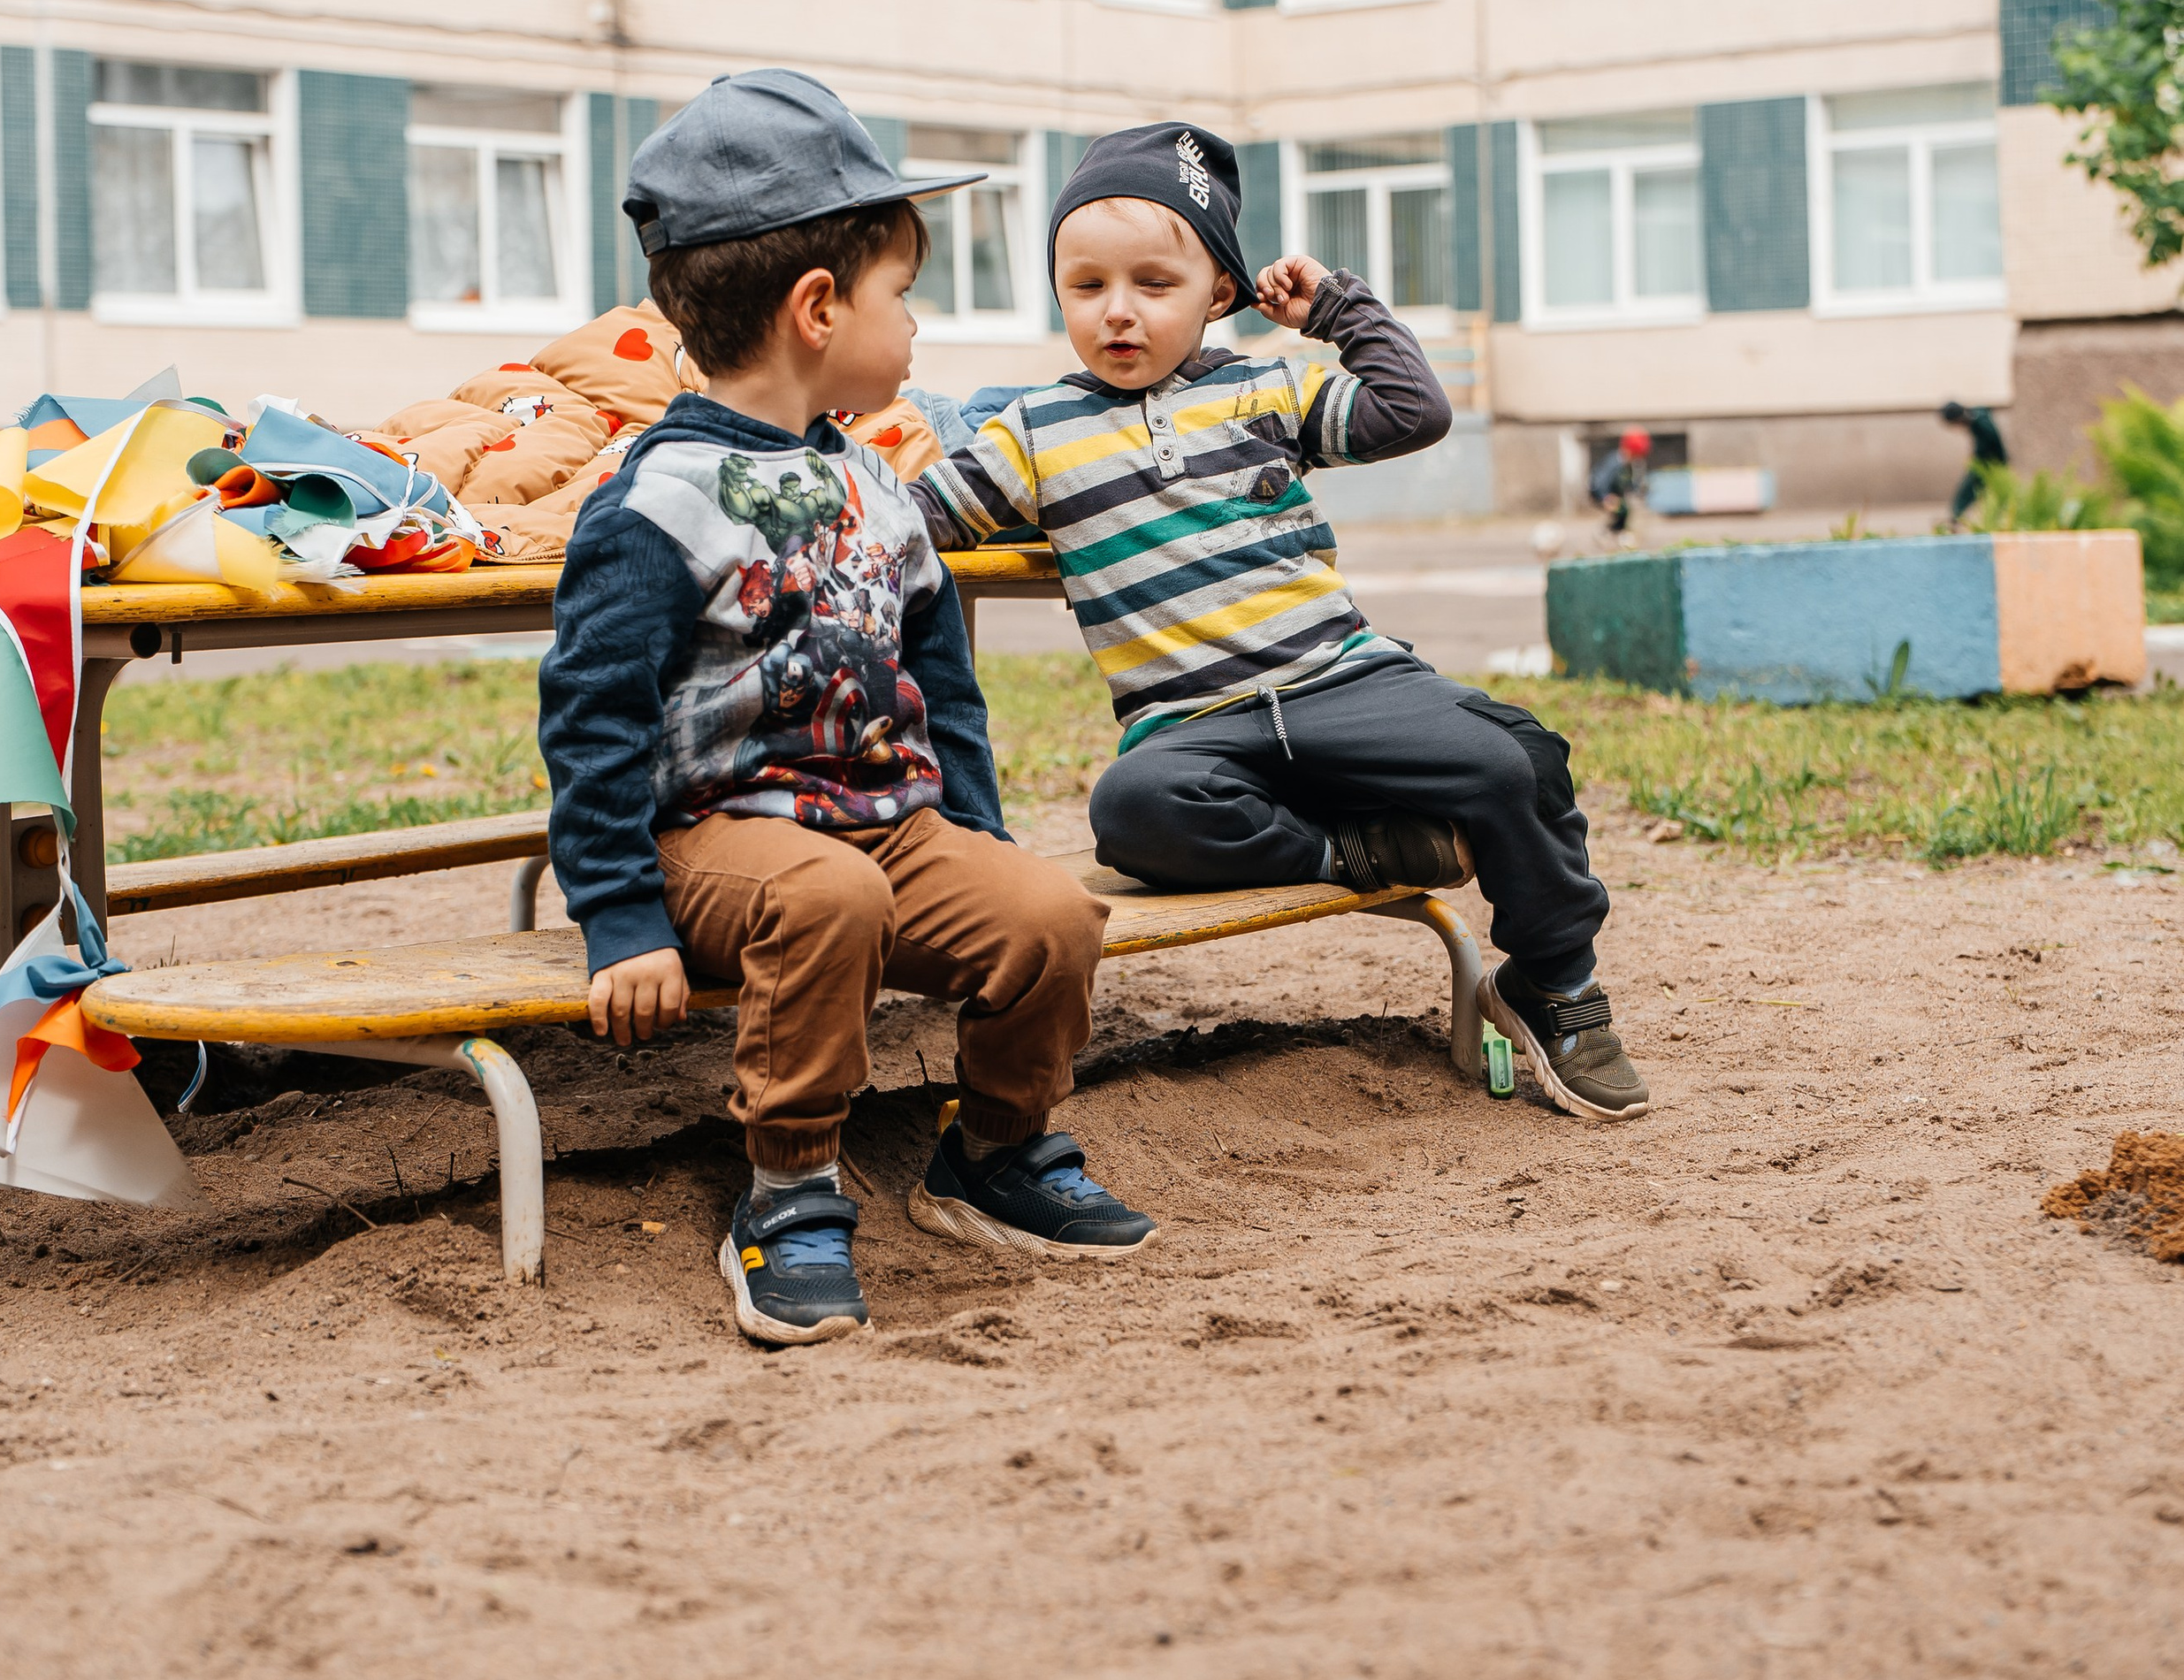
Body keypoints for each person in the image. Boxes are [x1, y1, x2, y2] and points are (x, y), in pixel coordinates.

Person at [537, 70, 1150, 1351]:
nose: (914, 325)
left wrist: (977, 840)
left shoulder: (874, 483)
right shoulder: (656, 502)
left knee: (1048, 915)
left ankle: (995, 1153)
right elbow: (592, 722)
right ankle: (791, 1189)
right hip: (720, 841)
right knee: (830, 897)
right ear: (819, 309)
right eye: (901, 295)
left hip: (887, 830)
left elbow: (942, 684)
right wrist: (620, 921)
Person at [912, 122, 1646, 1123]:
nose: (1117, 311)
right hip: (1193, 727)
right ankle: (1353, 854)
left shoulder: (1266, 388)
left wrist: (1336, 310)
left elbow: (1413, 412)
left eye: (1153, 284)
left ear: (1219, 290)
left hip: (1345, 683)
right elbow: (919, 514)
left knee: (1517, 763)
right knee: (1133, 806)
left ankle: (1552, 983)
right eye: (1086, 286)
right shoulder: (1034, 431)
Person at [1939, 398, 2009, 526]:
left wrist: (1978, 458)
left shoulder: (1980, 423)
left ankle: (1956, 518)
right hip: (1989, 463)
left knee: (1970, 490)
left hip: (1990, 464)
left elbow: (1992, 442)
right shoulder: (1977, 416)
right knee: (1983, 493)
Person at [1590, 426, 1653, 537]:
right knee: (1621, 509)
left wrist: (1639, 489)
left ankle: (1619, 532)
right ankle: (1609, 533)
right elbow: (1600, 480)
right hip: (1603, 493)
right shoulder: (1615, 461)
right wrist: (1605, 497)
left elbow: (1629, 483)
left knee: (1626, 509)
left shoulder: (1628, 465)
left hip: (1617, 495)